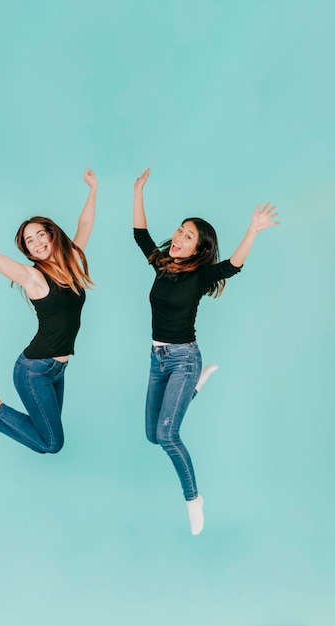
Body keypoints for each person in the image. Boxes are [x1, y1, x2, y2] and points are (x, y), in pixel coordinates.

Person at [133, 168, 279, 535]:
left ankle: (194, 499)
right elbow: (140, 234)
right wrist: (138, 191)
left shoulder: (201, 276)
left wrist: (253, 230)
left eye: (189, 236)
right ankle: (195, 387)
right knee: (152, 435)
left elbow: (233, 265)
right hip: (158, 359)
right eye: (180, 231)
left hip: (184, 358)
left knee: (168, 435)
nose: (180, 237)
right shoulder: (161, 263)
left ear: (200, 248)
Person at [0, 170, 98, 454]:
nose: (37, 243)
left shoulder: (71, 260)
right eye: (29, 242)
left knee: (42, 440)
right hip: (33, 370)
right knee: (52, 443)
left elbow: (85, 224)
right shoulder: (32, 277)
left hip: (57, 371)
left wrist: (93, 190)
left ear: (52, 234)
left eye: (40, 235)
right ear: (27, 251)